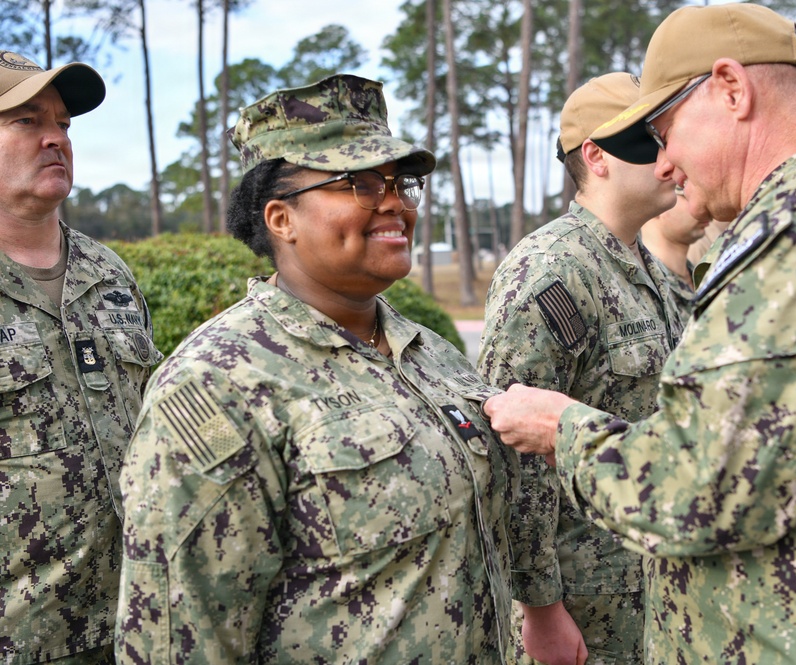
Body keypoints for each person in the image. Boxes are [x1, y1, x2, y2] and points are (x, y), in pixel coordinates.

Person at [484, 3, 796, 664]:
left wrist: (560, 427)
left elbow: (701, 486)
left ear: (732, 89)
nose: (664, 163)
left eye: (665, 130)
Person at [115, 74, 517, 663]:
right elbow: (181, 634)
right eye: (357, 183)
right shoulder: (218, 382)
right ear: (281, 220)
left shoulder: (429, 353)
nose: (394, 202)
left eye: (399, 181)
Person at [478, 72, 687, 665]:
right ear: (596, 156)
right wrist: (538, 609)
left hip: (654, 586)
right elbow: (511, 456)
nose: (670, 158)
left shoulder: (644, 268)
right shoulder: (551, 273)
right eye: (648, 140)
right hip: (586, 605)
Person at [0, 50, 161, 664]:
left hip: (134, 627)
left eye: (64, 124)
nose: (55, 139)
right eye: (25, 121)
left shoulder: (107, 271)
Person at [640, 192, 711, 291]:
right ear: (657, 203)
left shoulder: (698, 273)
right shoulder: (645, 283)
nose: (705, 207)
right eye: (687, 195)